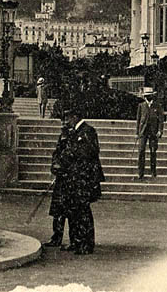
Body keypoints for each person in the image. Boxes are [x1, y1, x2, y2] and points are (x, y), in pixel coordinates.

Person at [53, 108, 105, 254]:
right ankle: (76, 242)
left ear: (75, 117)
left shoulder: (88, 131)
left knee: (83, 212)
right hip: (74, 179)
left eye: (68, 118)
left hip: (85, 179)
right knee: (73, 211)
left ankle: (86, 244)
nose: (66, 121)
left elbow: (90, 152)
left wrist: (70, 153)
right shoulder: (73, 132)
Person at [44, 121, 73, 248]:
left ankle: (72, 240)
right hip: (61, 179)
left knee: (70, 212)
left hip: (69, 180)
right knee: (57, 211)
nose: (63, 126)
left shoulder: (72, 139)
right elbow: (55, 154)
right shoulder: (61, 139)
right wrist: (55, 167)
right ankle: (56, 237)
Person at [135, 86, 164, 179]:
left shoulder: (157, 106)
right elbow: (138, 120)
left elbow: (161, 120)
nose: (148, 97)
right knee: (141, 151)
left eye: (150, 95)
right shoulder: (141, 106)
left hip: (153, 132)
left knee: (153, 152)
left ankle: (153, 172)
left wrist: (160, 130)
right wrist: (137, 133)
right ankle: (141, 173)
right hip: (143, 132)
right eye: (146, 96)